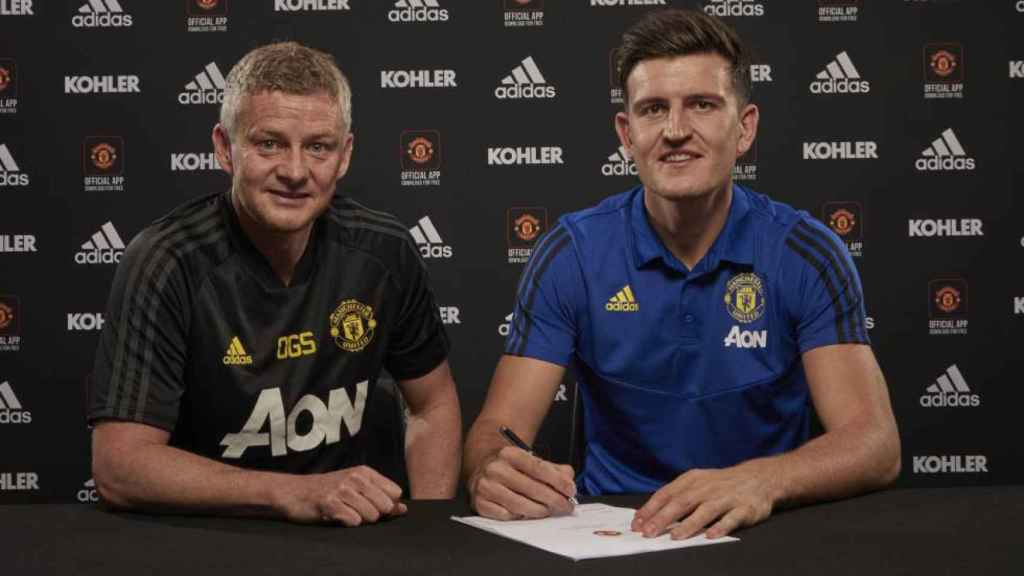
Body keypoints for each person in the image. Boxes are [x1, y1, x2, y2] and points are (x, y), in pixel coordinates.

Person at [463, 9, 900, 539]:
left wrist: (758, 482)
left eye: (702, 105)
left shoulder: (805, 252)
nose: (675, 131)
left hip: (761, 524)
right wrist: (492, 467)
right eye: (653, 109)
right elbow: (497, 431)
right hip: (615, 531)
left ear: (745, 127)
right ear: (627, 134)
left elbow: (874, 443)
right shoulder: (572, 252)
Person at [89, 42, 461, 526]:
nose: (294, 171)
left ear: (344, 155)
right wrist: (295, 494)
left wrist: (427, 528)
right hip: (204, 537)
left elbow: (433, 404)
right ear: (225, 148)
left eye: (318, 147)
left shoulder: (383, 250)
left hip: (353, 535)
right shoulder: (165, 260)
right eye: (269, 143)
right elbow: (120, 465)